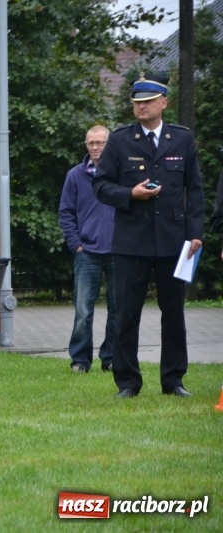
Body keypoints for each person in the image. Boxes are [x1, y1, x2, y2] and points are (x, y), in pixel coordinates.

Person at [92, 72, 204, 399]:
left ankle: (173, 381)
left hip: (174, 240)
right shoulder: (121, 140)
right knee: (127, 313)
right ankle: (127, 382)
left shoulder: (181, 139)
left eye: (148, 102)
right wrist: (130, 194)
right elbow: (100, 185)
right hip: (131, 240)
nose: (141, 108)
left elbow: (195, 190)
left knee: (174, 313)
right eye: (137, 103)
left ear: (164, 102)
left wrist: (195, 234)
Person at [58, 125, 116, 374]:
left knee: (119, 309)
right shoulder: (75, 175)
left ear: (109, 144)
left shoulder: (121, 173)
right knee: (83, 310)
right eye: (91, 143)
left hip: (119, 251)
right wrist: (76, 245)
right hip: (87, 253)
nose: (95, 147)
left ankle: (112, 358)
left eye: (100, 142)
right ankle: (80, 361)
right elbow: (66, 212)